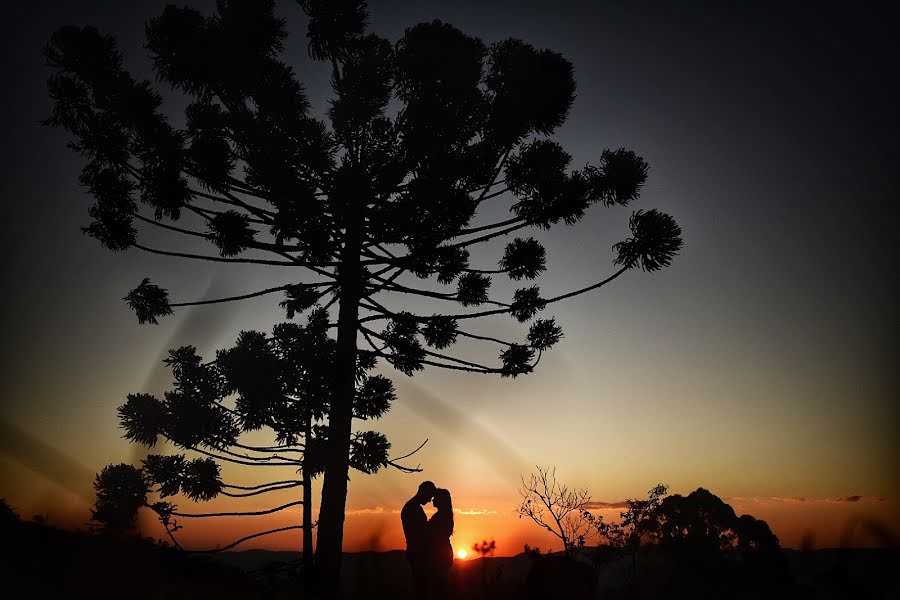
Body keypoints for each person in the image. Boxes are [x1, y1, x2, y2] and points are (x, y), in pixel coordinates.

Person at [401, 481, 437, 596]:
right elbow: (419, 533)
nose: (429, 501)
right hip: (418, 553)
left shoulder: (412, 507)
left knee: (420, 586)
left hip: (416, 551)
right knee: (421, 588)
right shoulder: (412, 508)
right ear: (423, 492)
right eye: (429, 497)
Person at [424, 488, 454, 597]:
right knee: (439, 586)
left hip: (440, 555)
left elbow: (433, 536)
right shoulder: (445, 515)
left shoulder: (440, 517)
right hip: (444, 553)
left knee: (438, 587)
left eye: (435, 498)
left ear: (441, 500)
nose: (432, 500)